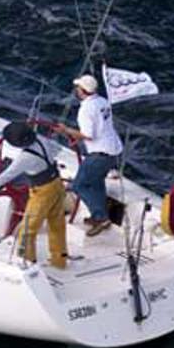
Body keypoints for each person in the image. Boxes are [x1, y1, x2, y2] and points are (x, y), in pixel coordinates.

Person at [0, 121, 67, 268]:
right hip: (57, 184)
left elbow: (7, 175)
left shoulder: (26, 157)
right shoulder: (41, 139)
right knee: (57, 224)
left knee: (26, 231)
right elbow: (57, 149)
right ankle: (59, 260)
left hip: (42, 193)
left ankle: (27, 264)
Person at [52, 73, 124, 237]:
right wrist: (77, 139)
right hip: (112, 151)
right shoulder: (102, 101)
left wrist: (65, 130)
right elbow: (98, 128)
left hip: (99, 154)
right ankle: (98, 215)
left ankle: (101, 218)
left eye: (78, 87)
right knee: (96, 182)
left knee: (79, 185)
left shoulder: (85, 109)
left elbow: (88, 134)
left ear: (82, 91)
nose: (76, 89)